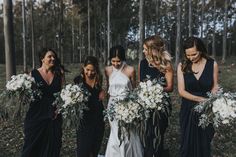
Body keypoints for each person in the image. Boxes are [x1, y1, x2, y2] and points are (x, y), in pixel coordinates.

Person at [177, 36, 219, 157]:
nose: (191, 58)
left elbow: (215, 86)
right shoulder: (182, 66)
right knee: (187, 143)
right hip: (188, 109)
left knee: (204, 143)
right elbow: (181, 91)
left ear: (200, 50)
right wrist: (202, 100)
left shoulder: (212, 64)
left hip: (206, 110)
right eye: (188, 55)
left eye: (194, 54)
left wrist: (212, 100)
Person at [21, 48, 64, 157]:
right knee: (32, 147)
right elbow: (27, 96)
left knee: (53, 148)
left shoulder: (59, 74)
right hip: (36, 116)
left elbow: (63, 95)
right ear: (42, 59)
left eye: (54, 56)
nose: (53, 58)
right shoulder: (33, 74)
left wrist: (59, 108)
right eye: (49, 56)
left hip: (53, 116)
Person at [138, 35, 173, 157]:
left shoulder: (166, 64)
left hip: (160, 105)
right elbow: (140, 85)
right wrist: (145, 93)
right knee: (146, 135)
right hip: (145, 105)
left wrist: (155, 91)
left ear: (153, 49)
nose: (143, 51)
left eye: (145, 49)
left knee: (158, 134)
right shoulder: (142, 63)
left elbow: (170, 87)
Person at [105, 45, 143, 157]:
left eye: (119, 61)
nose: (116, 64)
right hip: (112, 105)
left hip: (127, 105)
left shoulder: (130, 70)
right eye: (113, 61)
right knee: (115, 133)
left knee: (128, 132)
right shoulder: (107, 70)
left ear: (123, 59)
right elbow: (108, 88)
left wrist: (133, 107)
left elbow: (134, 90)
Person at [74, 56, 105, 157]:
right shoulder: (78, 80)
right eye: (87, 70)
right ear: (83, 68)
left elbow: (101, 95)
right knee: (83, 150)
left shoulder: (99, 79)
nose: (90, 73)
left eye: (93, 70)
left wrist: (103, 92)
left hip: (98, 119)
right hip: (84, 121)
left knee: (94, 150)